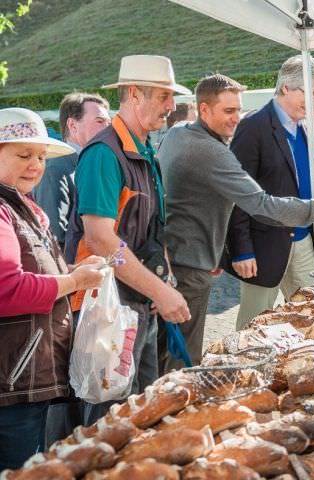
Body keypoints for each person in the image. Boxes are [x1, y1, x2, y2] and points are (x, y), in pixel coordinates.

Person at [157, 71, 314, 373]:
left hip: (178, 258)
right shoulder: (213, 151)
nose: (236, 118)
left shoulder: (177, 132)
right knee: (183, 360)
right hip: (189, 266)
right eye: (228, 111)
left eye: (238, 109)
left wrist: (218, 250)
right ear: (203, 110)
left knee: (165, 352)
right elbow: (262, 205)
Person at [64, 55, 191, 425]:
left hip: (138, 302)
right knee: (110, 419)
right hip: (107, 311)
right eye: (164, 97)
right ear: (134, 94)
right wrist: (159, 290)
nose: (172, 106)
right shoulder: (104, 153)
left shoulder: (145, 150)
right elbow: (102, 239)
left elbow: (150, 227)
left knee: (145, 409)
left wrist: (160, 279)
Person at [0, 107, 105, 469]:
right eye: (23, 154)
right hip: (13, 377)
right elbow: (7, 290)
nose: (36, 164)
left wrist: (74, 269)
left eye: (41, 156)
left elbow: (35, 270)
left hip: (25, 371)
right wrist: (74, 281)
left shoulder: (21, 205)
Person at [223, 55, 314, 329]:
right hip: (263, 244)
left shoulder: (302, 128)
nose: (312, 102)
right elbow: (237, 192)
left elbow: (292, 179)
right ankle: (245, 369)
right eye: (308, 93)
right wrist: (241, 250)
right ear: (286, 87)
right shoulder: (253, 127)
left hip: (301, 241)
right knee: (254, 325)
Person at [33, 93, 110, 250]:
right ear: (73, 126)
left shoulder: (93, 164)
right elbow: (54, 235)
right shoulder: (56, 169)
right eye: (100, 121)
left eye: (109, 122)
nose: (108, 128)